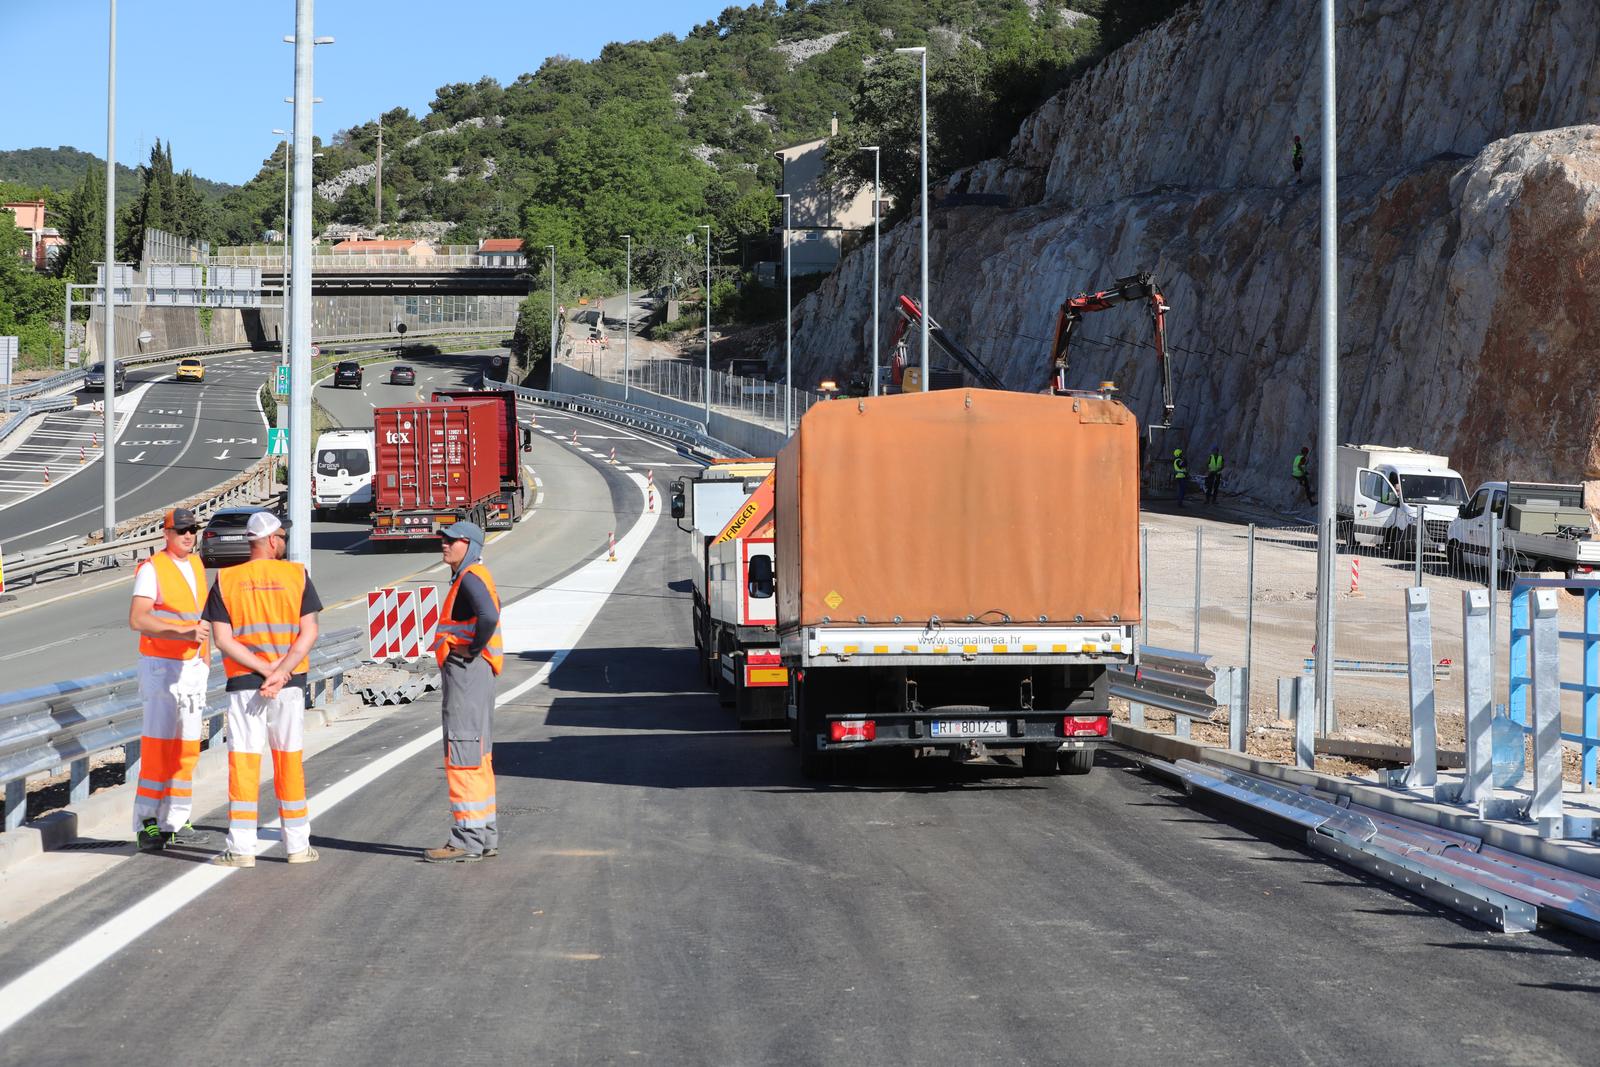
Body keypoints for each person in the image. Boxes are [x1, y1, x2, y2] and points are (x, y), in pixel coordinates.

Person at [203, 512, 321, 868]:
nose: (284, 542)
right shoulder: (296, 575)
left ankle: (241, 849)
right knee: (289, 760)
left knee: (244, 761)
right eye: (282, 536)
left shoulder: (227, 579)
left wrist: (264, 670)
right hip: (288, 684)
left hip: (245, 684)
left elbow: (223, 640)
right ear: (271, 540)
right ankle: (298, 846)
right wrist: (280, 671)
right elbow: (308, 633)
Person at [127, 508, 212, 852]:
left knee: (187, 749)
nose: (189, 535)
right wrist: (181, 633)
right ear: (166, 534)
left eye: (192, 529)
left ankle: (175, 820)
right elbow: (137, 619)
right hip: (161, 667)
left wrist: (205, 661)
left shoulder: (196, 565)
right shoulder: (152, 569)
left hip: (191, 669)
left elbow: (201, 617)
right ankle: (147, 822)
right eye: (181, 531)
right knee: (158, 747)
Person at [426, 521, 504, 864]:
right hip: (477, 674)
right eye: (443, 539)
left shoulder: (470, 577)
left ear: (469, 545)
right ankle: (484, 835)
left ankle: (467, 839)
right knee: (478, 752)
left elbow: (487, 615)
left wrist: (472, 648)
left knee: (463, 751)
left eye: (451, 541)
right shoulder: (473, 575)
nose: (444, 545)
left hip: (467, 672)